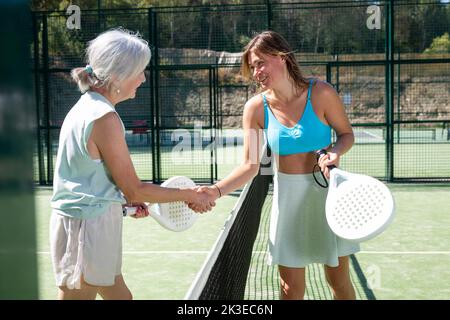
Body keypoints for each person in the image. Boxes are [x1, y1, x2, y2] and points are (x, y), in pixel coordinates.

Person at [50, 28, 215, 300]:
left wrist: (120, 202)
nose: (143, 78)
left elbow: (88, 178)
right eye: (140, 70)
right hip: (86, 228)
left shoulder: (87, 107)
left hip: (91, 222)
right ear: (117, 76)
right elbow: (135, 190)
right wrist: (190, 195)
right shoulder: (104, 118)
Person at [194, 31, 360, 300]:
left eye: (260, 63)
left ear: (282, 57)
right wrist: (215, 190)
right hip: (288, 201)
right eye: (252, 67)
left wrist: (334, 152)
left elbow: (346, 135)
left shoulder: (322, 93)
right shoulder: (255, 109)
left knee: (338, 282)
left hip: (328, 197)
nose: (256, 72)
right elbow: (249, 165)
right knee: (290, 289)